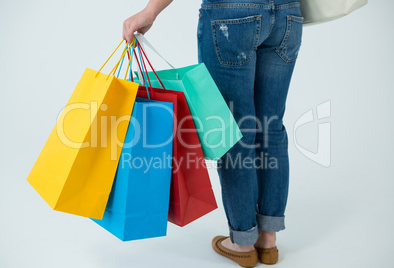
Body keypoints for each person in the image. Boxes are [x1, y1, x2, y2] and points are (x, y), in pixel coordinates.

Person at [123, 0, 303, 266]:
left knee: (233, 131)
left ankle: (242, 242)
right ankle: (268, 239)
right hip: (287, 14)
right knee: (271, 127)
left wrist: (151, 10)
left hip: (232, 16)